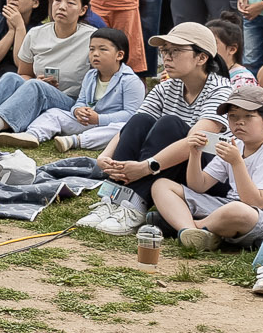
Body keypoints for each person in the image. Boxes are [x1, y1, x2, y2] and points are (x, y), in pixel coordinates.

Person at [78, 22, 234, 235]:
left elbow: (195, 141)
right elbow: (133, 125)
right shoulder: (167, 87)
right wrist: (105, 156)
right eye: (164, 51)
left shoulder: (221, 89)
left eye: (175, 51)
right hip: (170, 166)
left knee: (170, 124)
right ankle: (112, 200)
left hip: (210, 174)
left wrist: (145, 167)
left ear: (202, 58)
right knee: (142, 120)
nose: (167, 58)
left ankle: (134, 205)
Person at [146, 83, 263, 251]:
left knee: (237, 210)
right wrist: (195, 154)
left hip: (262, 220)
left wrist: (237, 162)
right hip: (227, 207)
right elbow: (199, 186)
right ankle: (192, 232)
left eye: (248, 116)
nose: (239, 122)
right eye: (233, 116)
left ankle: (185, 225)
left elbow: (256, 203)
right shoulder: (235, 145)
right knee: (161, 185)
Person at [1, 28, 142, 150]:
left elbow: (131, 114)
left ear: (120, 55)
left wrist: (99, 119)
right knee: (54, 113)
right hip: (88, 121)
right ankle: (32, 135)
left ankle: (75, 141)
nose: (95, 54)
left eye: (103, 49)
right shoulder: (90, 76)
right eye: (92, 49)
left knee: (123, 129)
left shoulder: (130, 81)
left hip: (109, 126)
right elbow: (80, 101)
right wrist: (77, 110)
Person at [0, 0, 95, 132]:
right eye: (58, 0)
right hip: (38, 91)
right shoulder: (36, 33)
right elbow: (24, 74)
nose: (61, 7)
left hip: (72, 102)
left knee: (37, 86)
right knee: (11, 77)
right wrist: (38, 80)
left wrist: (38, 84)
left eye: (70, 3)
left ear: (82, 10)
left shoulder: (92, 38)